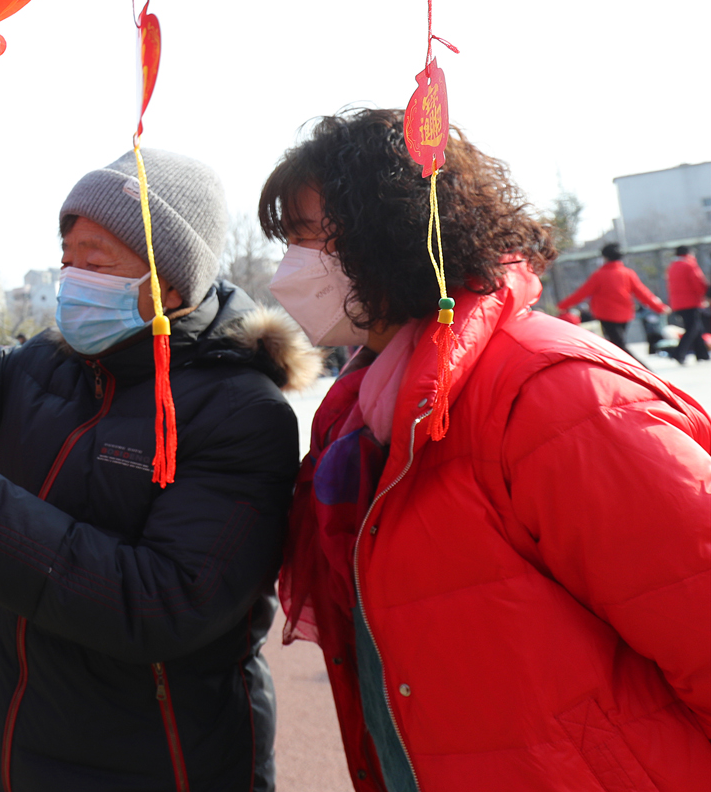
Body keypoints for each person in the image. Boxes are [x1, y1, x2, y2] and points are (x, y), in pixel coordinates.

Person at [0, 149, 318, 792]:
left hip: (161, 760)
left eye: (95, 260)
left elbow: (160, 599)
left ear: (167, 285)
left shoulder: (240, 412)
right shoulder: (46, 366)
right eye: (67, 257)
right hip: (15, 740)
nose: (72, 278)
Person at [259, 108, 711, 792]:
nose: (289, 270)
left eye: (306, 240)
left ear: (392, 230)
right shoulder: (362, 415)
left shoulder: (553, 396)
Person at [556, 241, 669, 361]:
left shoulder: (599, 275)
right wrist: (660, 307)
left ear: (605, 257)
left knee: (619, 345)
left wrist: (563, 305)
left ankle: (642, 369)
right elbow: (643, 293)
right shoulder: (628, 273)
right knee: (618, 344)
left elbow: (581, 293)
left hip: (606, 315)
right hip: (625, 315)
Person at [668, 245, 710, 363]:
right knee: (693, 328)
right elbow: (698, 282)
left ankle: (702, 354)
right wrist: (705, 294)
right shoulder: (689, 265)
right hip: (691, 302)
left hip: (678, 304)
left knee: (696, 327)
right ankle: (678, 353)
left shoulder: (672, 267)